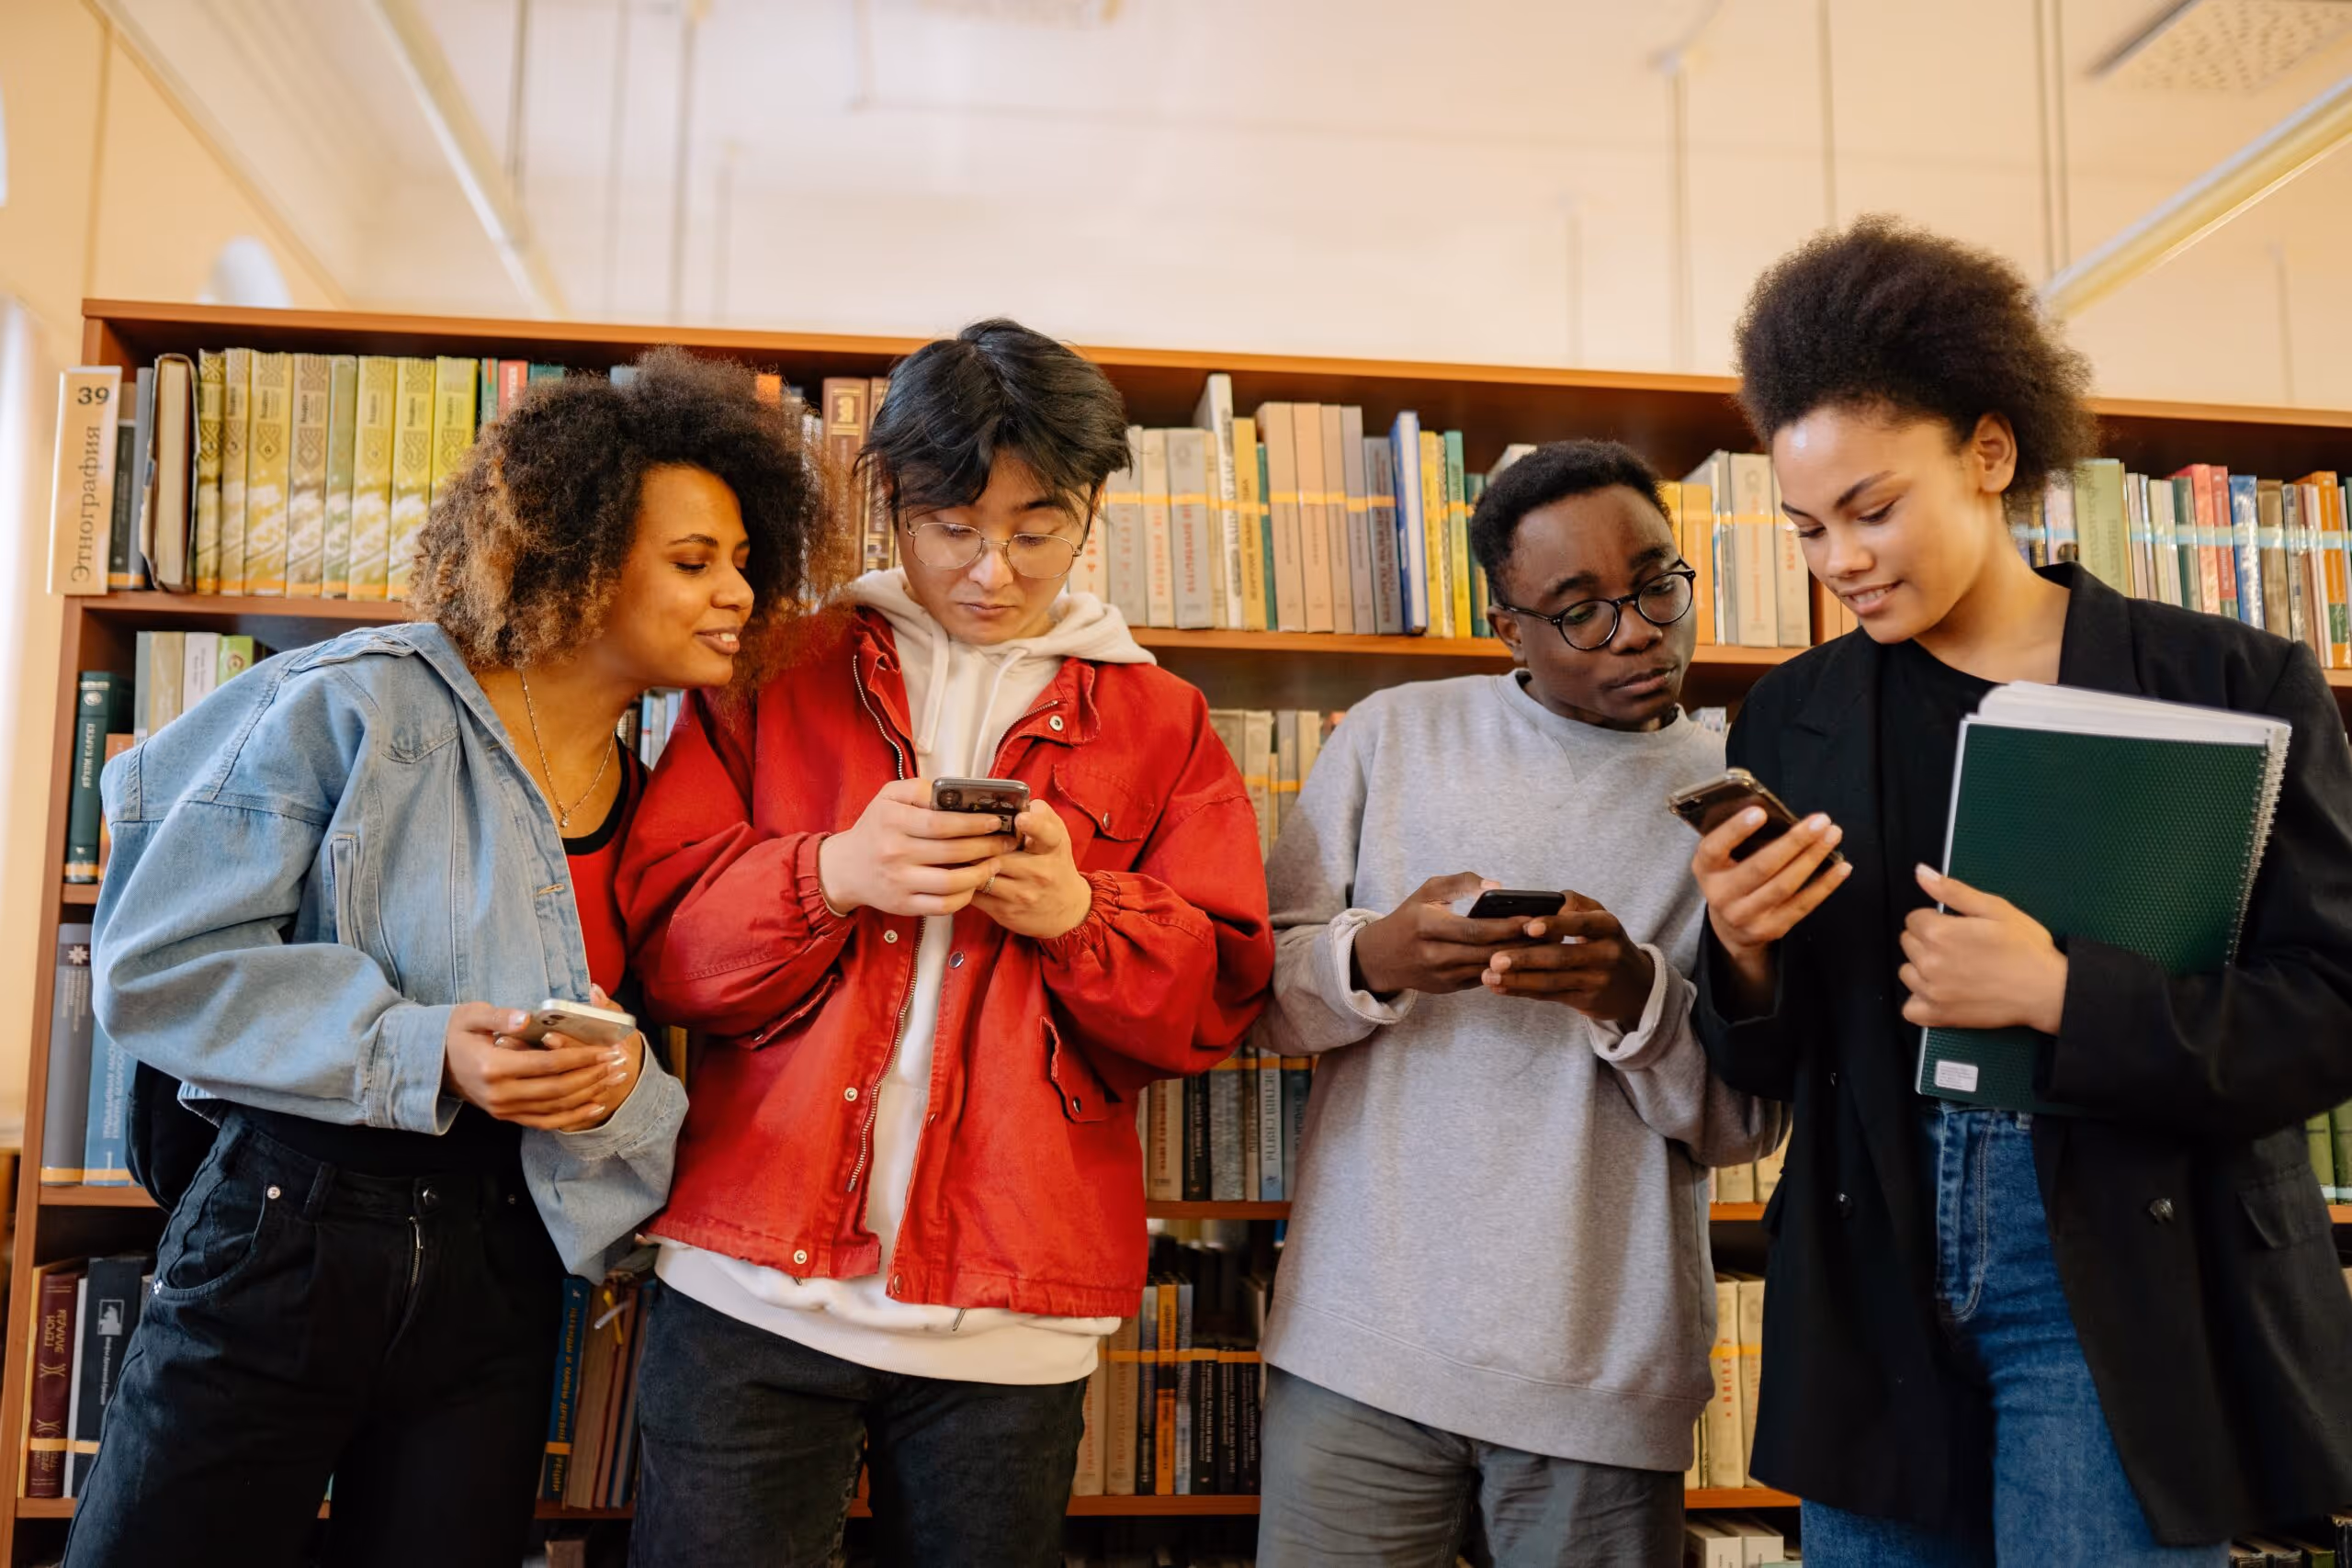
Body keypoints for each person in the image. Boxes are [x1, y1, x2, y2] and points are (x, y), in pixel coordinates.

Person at [67, 348, 838, 1568]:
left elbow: (637, 1061)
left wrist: (611, 1089)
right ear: (579, 555)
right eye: (695, 561)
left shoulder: (665, 803)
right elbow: (161, 962)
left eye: (745, 560)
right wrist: (430, 1049)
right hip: (289, 1226)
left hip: (504, 1260)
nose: (738, 592)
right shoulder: (354, 703)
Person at [1690, 217, 2352, 1566]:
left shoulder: (2231, 682)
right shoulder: (1792, 713)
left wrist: (2062, 993)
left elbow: (2331, 1005)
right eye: (1807, 527)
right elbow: (1767, 1053)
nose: (1841, 561)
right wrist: (1742, 951)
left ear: (1991, 454)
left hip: (2121, 1270)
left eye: (1874, 508)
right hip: (1868, 1275)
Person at [617, 318, 1275, 1568]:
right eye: (954, 528)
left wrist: (1084, 916)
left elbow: (1216, 1000)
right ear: (891, 508)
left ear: (1092, 514)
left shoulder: (1163, 718)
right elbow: (665, 945)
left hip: (1010, 1314)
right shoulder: (776, 669)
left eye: (1038, 530)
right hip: (749, 1283)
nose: (994, 569)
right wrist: (835, 873)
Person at [1254, 439, 1787, 1568]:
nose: (1638, 629)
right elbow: (1259, 1003)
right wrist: (1377, 958)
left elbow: (1746, 1127)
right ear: (1509, 627)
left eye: (1655, 584)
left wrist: (1633, 993)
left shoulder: (1737, 805)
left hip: (1600, 1378)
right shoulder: (1393, 736)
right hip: (1360, 1348)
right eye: (1579, 610)